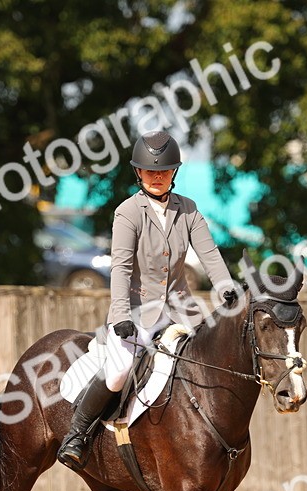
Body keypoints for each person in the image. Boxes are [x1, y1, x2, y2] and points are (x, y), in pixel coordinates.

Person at [57, 130, 239, 471]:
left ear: (175, 172)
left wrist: (226, 286)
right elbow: (121, 268)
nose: (158, 177)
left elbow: (209, 254)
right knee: (119, 371)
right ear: (138, 172)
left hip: (181, 309)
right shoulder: (128, 212)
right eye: (150, 171)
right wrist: (121, 313)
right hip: (137, 312)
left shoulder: (189, 209)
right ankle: (77, 435)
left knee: (206, 358)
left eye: (165, 170)